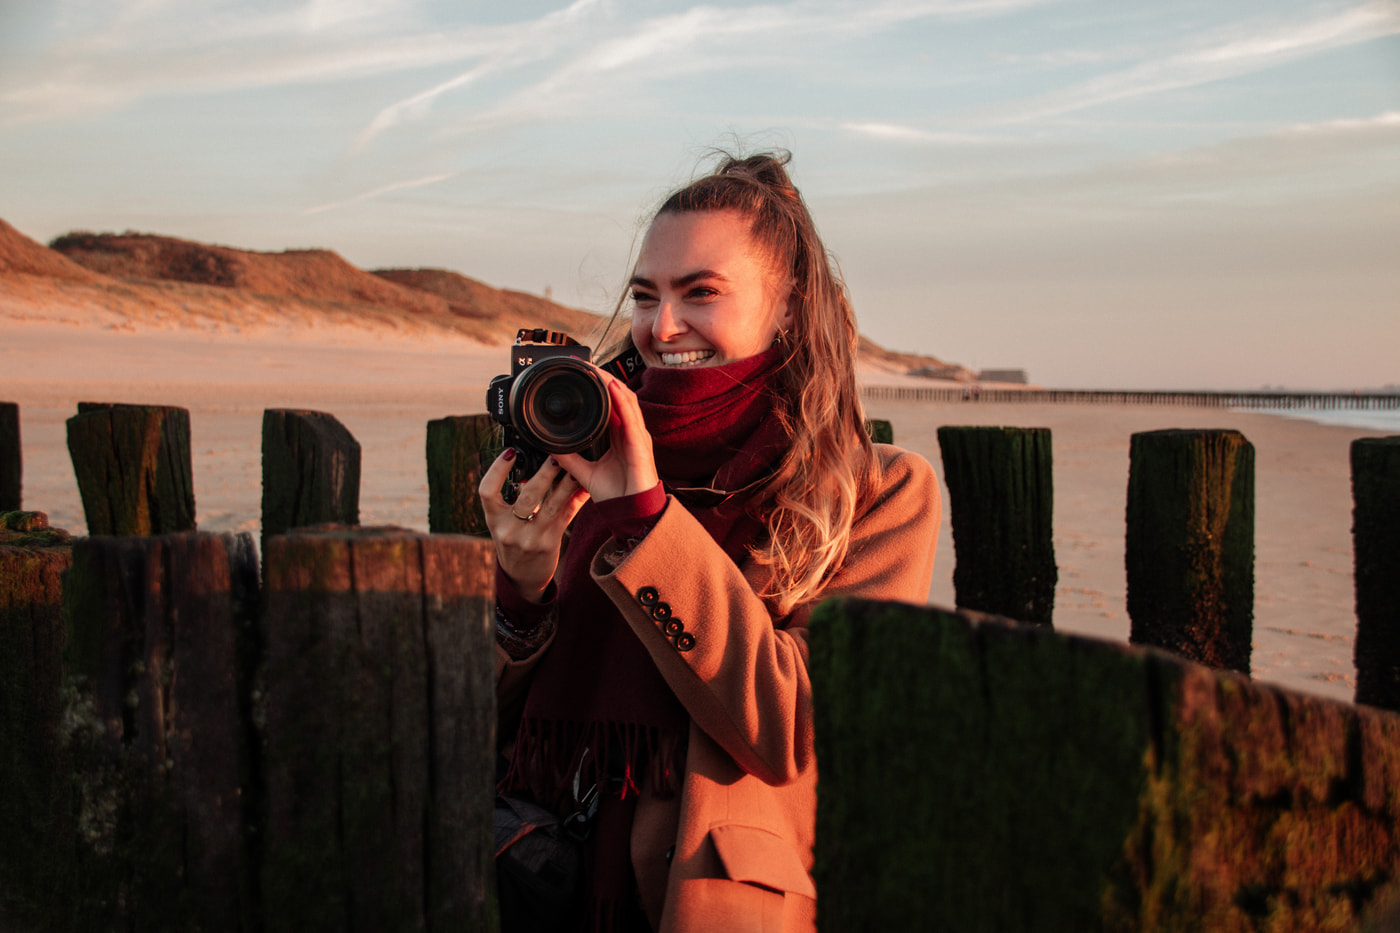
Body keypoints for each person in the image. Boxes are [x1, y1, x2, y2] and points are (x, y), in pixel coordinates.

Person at [481, 150, 939, 933]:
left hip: (703, 904)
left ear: (788, 306)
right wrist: (521, 594)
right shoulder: (578, 456)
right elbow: (473, 724)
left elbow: (793, 725)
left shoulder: (876, 491)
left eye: (701, 293)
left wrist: (647, 518)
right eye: (646, 294)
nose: (662, 327)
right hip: (533, 884)